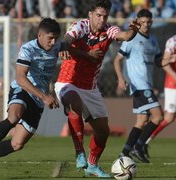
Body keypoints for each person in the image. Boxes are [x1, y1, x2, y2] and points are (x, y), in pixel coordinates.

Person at [55, 0, 141, 177]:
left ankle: (92, 166)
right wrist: (84, 54)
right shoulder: (80, 26)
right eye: (98, 15)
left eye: (105, 16)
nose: (102, 19)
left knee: (103, 131)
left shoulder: (109, 30)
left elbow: (125, 36)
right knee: (74, 103)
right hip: (67, 81)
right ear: (90, 15)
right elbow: (67, 40)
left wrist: (134, 29)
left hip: (90, 88)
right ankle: (79, 153)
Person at [0, 17, 60, 174]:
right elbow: (21, 78)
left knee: (17, 144)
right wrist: (45, 96)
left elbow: (71, 47)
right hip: (24, 89)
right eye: (50, 38)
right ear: (40, 35)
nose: (53, 42)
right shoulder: (28, 49)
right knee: (14, 116)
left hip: (39, 99)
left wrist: (88, 54)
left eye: (56, 38)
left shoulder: (58, 48)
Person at [114, 9, 176, 163]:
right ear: (138, 22)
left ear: (152, 22)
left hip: (147, 84)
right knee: (158, 116)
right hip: (139, 85)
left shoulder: (153, 40)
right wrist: (120, 78)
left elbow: (158, 62)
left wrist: (168, 60)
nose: (146, 25)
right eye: (143, 22)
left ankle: (124, 152)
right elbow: (117, 60)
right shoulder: (130, 39)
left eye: (149, 22)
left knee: (142, 121)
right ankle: (139, 145)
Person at [144, 15, 176, 157]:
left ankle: (144, 141)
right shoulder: (174, 41)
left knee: (170, 118)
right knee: (169, 117)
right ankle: (144, 140)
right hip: (174, 84)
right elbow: (165, 63)